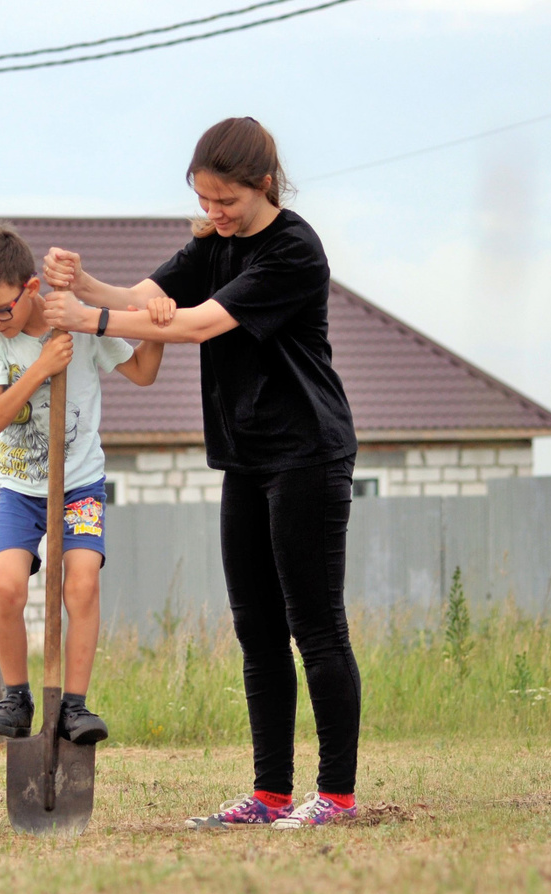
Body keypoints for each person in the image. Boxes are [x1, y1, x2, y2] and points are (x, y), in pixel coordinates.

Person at [41, 117, 362, 828]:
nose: (215, 214)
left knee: (315, 626)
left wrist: (87, 318)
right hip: (245, 456)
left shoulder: (293, 251)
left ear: (264, 185)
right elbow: (143, 298)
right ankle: (270, 795)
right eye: (205, 200)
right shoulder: (210, 243)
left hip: (308, 451)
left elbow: (192, 326)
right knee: (256, 627)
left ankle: (336, 795)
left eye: (228, 202)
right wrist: (82, 282)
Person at [0, 221, 163, 744]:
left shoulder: (73, 323)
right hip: (20, 491)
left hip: (80, 487)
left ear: (31, 288)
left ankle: (74, 706)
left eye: (1, 308)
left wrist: (153, 322)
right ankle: (16, 698)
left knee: (82, 583)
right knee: (6, 585)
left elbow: (143, 372)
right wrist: (40, 368)